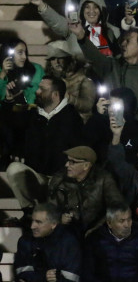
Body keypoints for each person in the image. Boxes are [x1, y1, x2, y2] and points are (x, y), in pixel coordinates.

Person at [1, 74, 84, 211]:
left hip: (61, 182)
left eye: (42, 89)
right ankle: (28, 213)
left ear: (55, 95)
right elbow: (10, 123)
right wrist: (10, 98)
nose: (37, 92)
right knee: (14, 169)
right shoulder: (33, 114)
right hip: (37, 177)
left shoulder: (72, 118)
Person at [12, 203, 83, 282]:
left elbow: (73, 278)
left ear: (53, 224)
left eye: (38, 222)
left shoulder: (69, 241)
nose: (33, 226)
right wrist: (44, 277)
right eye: (32, 221)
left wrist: (48, 278)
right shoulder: (25, 241)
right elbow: (22, 273)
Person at [72, 23, 138, 121]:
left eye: (128, 41)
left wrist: (132, 123)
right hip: (108, 124)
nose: (123, 44)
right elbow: (95, 57)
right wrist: (81, 36)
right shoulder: (112, 65)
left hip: (135, 129)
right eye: (123, 40)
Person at [46, 146, 124, 235]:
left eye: (72, 162)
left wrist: (96, 228)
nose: (67, 165)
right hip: (67, 232)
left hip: (97, 232)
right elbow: (50, 207)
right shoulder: (59, 179)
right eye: (67, 161)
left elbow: (117, 207)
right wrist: (59, 218)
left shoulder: (103, 179)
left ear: (86, 165)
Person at [0, 39, 44, 104]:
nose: (24, 57)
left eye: (25, 52)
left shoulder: (36, 69)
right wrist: (3, 74)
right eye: (20, 53)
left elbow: (46, 93)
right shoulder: (1, 72)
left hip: (32, 111)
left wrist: (24, 88)